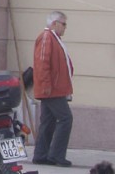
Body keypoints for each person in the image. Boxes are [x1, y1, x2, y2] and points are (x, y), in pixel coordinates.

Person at [32, 10, 74, 168]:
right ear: (54, 23)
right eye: (64, 24)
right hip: (51, 89)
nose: (65, 28)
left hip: (55, 88)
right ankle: (56, 155)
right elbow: (42, 63)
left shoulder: (54, 38)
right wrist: (46, 85)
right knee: (65, 119)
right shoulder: (46, 37)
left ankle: (41, 155)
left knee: (48, 121)